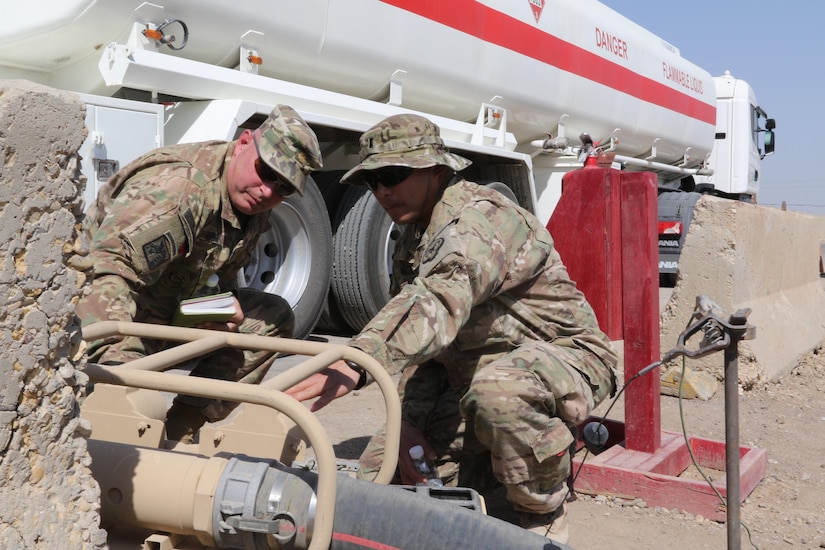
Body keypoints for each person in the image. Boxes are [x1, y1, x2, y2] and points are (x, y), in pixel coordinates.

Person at [286, 113, 618, 545]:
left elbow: (437, 301)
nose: (383, 190)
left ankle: (543, 508)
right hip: (468, 374)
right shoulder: (415, 236)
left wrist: (357, 362)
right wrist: (404, 425)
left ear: (437, 170)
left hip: (560, 359)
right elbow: (420, 347)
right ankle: (490, 467)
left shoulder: (477, 221)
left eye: (393, 174)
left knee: (501, 394)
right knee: (381, 483)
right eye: (372, 182)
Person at [77, 104, 323, 443]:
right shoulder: (183, 189)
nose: (269, 191)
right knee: (125, 412)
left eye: (283, 188)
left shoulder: (250, 205)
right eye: (266, 172)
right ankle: (125, 433)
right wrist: (125, 374)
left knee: (271, 319)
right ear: (243, 142)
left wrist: (212, 309)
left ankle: (179, 431)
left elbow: (207, 279)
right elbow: (105, 269)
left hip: (163, 315)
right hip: (102, 320)